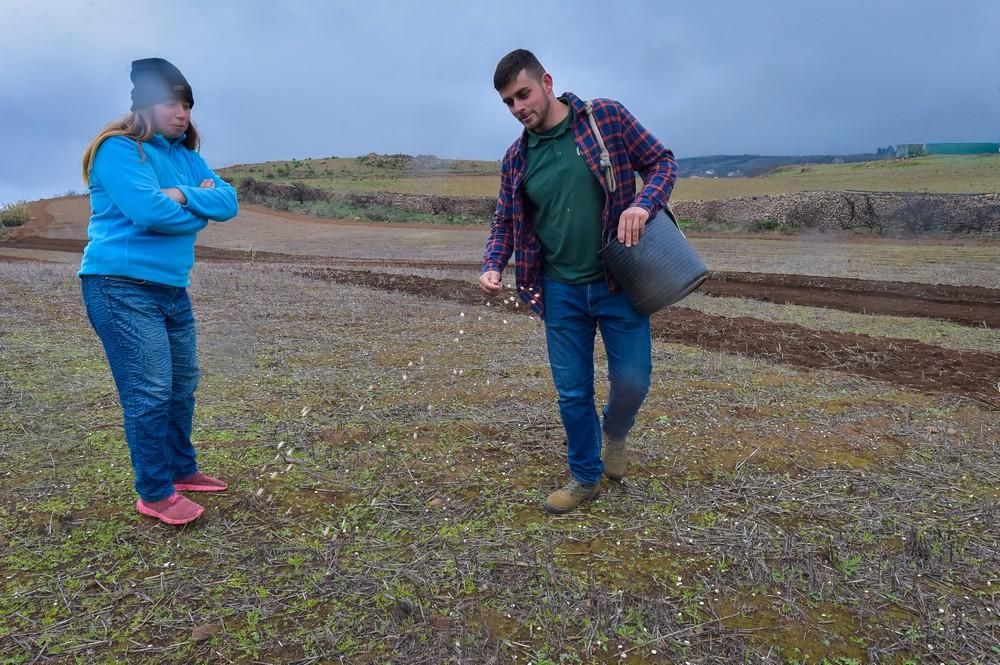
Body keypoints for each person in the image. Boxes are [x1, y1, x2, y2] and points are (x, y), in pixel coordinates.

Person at [480, 49, 677, 514]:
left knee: (632, 381)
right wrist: (494, 263)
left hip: (619, 281)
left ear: (547, 82)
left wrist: (642, 205)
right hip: (559, 289)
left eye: (523, 94)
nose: (518, 108)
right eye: (508, 102)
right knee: (572, 392)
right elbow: (505, 220)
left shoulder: (604, 118)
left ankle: (615, 432)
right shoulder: (516, 158)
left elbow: (662, 162)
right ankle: (585, 476)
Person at [78, 58, 238, 526]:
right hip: (118, 286)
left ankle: (181, 469)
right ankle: (153, 491)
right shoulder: (119, 150)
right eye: (172, 102)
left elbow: (228, 202)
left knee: (182, 384)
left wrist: (184, 196)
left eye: (187, 104)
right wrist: (196, 207)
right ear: (146, 105)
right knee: (149, 391)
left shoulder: (186, 157)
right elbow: (149, 213)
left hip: (171, 289)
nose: (182, 113)